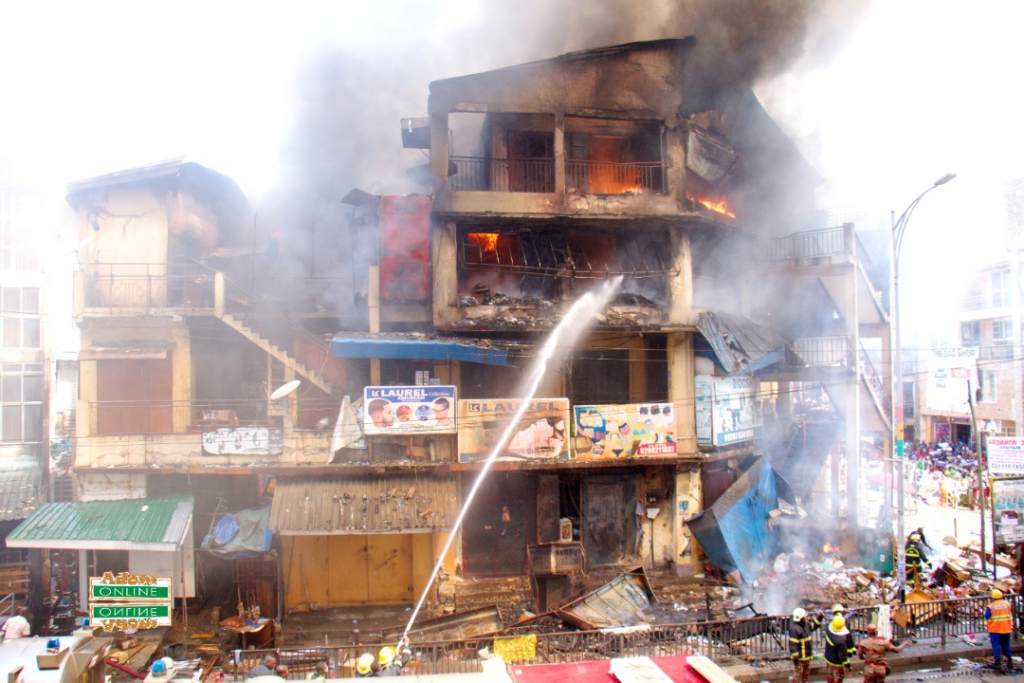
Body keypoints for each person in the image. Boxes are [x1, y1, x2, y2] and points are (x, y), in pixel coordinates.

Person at [789, 607, 823, 683]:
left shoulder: (806, 625)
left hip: (806, 658)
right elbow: (793, 645)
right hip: (800, 660)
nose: (806, 618)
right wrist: (796, 657)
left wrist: (820, 617)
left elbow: (814, 626)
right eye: (805, 616)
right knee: (797, 679)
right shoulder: (795, 630)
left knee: (805, 678)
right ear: (801, 618)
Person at [985, 589, 1013, 673]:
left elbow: (987, 616)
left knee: (996, 645)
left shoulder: (991, 606)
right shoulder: (1007, 604)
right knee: (1006, 644)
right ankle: (1010, 660)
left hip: (995, 629)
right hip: (1006, 628)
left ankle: (998, 661)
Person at [824, 613, 857, 683]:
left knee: (830, 677)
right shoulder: (841, 641)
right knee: (837, 679)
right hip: (837, 663)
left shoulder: (828, 629)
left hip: (828, 659)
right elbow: (842, 656)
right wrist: (848, 665)